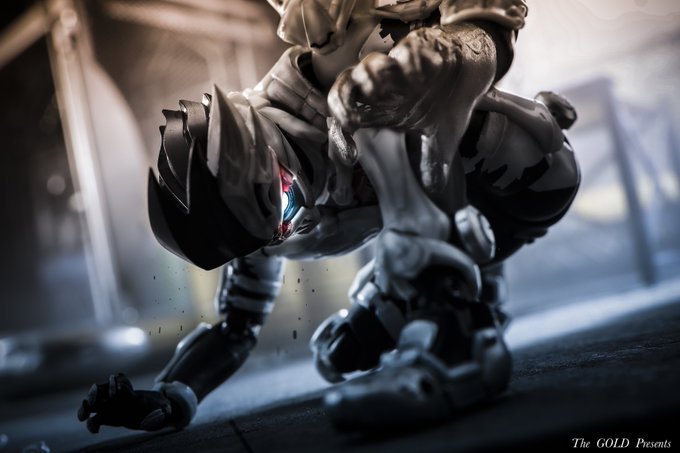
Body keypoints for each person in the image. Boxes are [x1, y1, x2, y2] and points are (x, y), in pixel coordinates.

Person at [78, 0, 580, 432]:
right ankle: (459, 301)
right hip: (471, 223)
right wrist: (171, 396)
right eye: (277, 224)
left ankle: (455, 338)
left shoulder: (333, 59)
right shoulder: (257, 225)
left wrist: (443, 47)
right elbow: (236, 327)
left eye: (281, 197)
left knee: (371, 99)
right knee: (344, 350)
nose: (295, 215)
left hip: (518, 172)